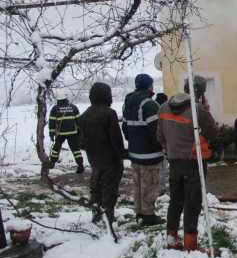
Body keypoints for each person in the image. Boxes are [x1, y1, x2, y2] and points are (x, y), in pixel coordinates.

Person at [157, 75, 220, 251]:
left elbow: (159, 137)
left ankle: (171, 238)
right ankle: (190, 245)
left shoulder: (163, 107)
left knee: (175, 201)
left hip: (174, 162)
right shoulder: (197, 109)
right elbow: (214, 134)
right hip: (193, 164)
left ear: (185, 87)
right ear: (200, 92)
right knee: (192, 202)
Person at [79, 82, 128, 224]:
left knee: (96, 190)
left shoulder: (84, 116)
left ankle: (96, 216)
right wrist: (124, 154)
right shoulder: (109, 114)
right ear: (107, 95)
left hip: (94, 160)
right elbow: (116, 140)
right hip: (111, 161)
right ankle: (108, 221)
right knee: (109, 192)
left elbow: (81, 143)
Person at [122, 73, 165, 226]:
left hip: (134, 153)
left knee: (138, 184)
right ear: (149, 86)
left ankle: (139, 212)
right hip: (150, 154)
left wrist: (133, 141)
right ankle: (148, 216)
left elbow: (125, 127)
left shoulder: (128, 103)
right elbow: (157, 131)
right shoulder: (150, 104)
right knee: (150, 185)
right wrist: (162, 146)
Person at [48, 90, 84, 173]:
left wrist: (51, 132)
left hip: (60, 133)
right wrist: (80, 131)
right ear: (66, 98)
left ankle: (52, 162)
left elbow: (52, 121)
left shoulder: (55, 108)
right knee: (76, 149)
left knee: (56, 148)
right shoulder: (73, 107)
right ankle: (80, 165)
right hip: (73, 133)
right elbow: (78, 121)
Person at [155, 92, 170, 196]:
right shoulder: (164, 111)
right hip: (162, 143)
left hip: (155, 144)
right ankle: (161, 188)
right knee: (163, 166)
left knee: (158, 167)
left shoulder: (155, 110)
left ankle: (159, 187)